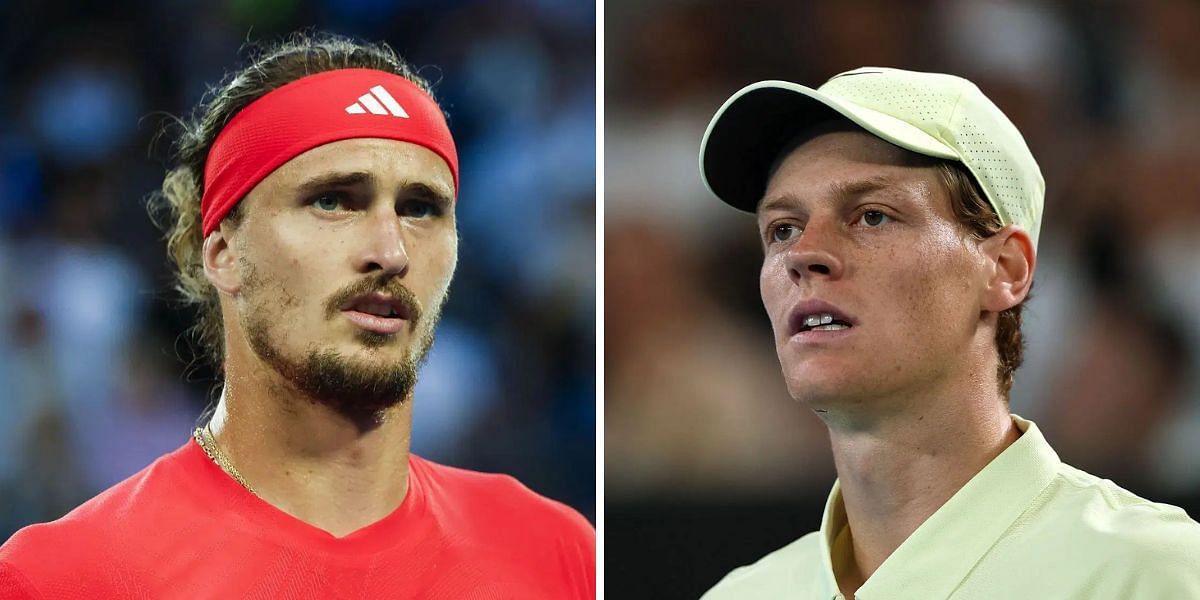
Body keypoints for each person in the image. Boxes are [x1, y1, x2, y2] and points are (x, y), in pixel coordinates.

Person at [0, 33, 594, 599]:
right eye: (333, 200)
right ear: (224, 252)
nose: (391, 252)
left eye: (420, 208)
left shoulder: (560, 553)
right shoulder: (58, 580)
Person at [696, 67, 1200, 599]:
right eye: (783, 229)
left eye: (871, 216)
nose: (803, 254)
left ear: (1005, 268)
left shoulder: (1155, 573)